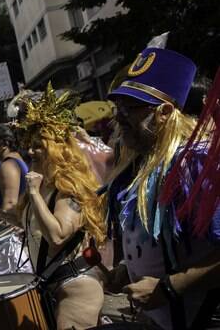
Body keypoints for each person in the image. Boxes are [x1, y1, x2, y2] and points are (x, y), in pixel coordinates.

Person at [105, 48, 220, 329]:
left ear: (165, 112)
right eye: (117, 107)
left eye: (128, 108)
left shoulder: (195, 162)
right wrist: (127, 269)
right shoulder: (143, 164)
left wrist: (169, 288)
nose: (118, 118)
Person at [13, 84, 107, 329]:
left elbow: (57, 235)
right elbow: (35, 225)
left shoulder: (70, 185)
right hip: (52, 283)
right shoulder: (45, 182)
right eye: (29, 142)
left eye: (39, 144)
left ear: (56, 148)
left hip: (76, 286)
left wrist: (33, 192)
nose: (30, 149)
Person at [0, 124, 29, 225]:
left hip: (6, 231)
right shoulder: (15, 159)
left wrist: (4, 221)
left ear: (5, 144)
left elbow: (10, 205)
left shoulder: (8, 165)